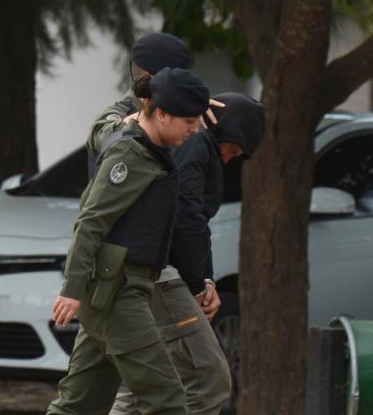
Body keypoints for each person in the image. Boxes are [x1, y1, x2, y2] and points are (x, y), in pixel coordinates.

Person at [47, 68, 210, 415]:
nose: (194, 130)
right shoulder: (130, 156)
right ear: (162, 114)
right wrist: (72, 288)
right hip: (118, 294)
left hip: (115, 291)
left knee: (79, 406)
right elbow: (91, 222)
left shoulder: (150, 151)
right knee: (166, 401)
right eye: (189, 121)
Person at [110, 92, 266, 415]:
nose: (230, 158)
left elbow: (194, 219)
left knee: (140, 386)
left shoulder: (191, 142)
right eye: (233, 149)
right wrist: (199, 283)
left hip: (142, 269)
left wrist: (205, 277)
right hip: (161, 273)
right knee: (210, 380)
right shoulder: (196, 144)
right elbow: (187, 216)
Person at [88, 32, 193, 161]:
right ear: (150, 78)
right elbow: (102, 136)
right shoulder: (121, 113)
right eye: (177, 80)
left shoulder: (179, 113)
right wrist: (145, 116)